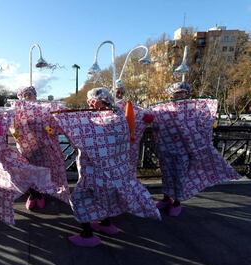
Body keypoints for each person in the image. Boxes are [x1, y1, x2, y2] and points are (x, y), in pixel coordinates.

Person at [52, 87, 160, 247]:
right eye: (89, 100)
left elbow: (84, 138)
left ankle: (87, 235)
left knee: (80, 199)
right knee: (105, 198)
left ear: (104, 101)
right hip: (113, 171)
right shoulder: (119, 117)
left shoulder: (102, 120)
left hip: (95, 171)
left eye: (93, 100)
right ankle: (106, 224)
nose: (90, 103)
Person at [152, 82, 240, 216]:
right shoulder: (164, 109)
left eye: (181, 92)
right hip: (165, 148)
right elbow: (156, 124)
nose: (179, 95)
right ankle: (166, 198)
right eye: (176, 93)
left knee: (180, 176)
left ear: (187, 93)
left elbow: (203, 123)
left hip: (184, 150)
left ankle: (177, 202)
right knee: (167, 175)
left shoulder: (194, 109)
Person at [16, 86, 46, 210]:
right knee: (27, 171)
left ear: (35, 96)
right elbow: (12, 127)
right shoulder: (17, 110)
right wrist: (17, 136)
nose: (27, 97)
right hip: (24, 145)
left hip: (40, 144)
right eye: (25, 95)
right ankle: (32, 195)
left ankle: (39, 194)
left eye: (30, 94)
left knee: (40, 169)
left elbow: (48, 123)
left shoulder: (42, 109)